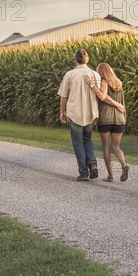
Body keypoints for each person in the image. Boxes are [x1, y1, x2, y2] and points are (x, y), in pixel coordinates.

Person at [57, 49, 101, 181]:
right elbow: (99, 94)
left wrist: (62, 112)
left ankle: (83, 173)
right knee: (88, 140)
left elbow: (64, 96)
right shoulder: (95, 74)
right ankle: (92, 164)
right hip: (90, 113)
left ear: (75, 59)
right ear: (87, 59)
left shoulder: (69, 75)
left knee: (78, 143)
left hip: (75, 113)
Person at [85, 63, 129, 182]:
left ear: (102, 72)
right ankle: (124, 165)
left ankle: (110, 176)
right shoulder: (119, 83)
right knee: (116, 146)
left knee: (106, 146)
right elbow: (121, 103)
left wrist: (92, 85)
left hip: (106, 118)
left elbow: (103, 97)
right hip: (119, 119)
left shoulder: (104, 82)